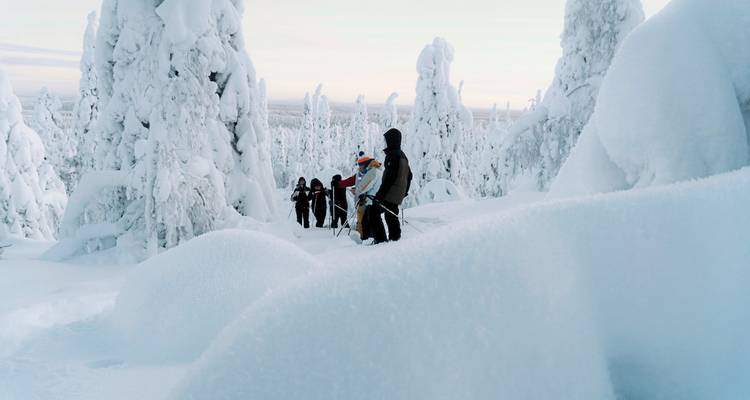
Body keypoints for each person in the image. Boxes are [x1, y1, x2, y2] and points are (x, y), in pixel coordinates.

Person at [370, 128, 412, 243]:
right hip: (396, 195)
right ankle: (395, 240)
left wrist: (379, 196)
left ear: (391, 140)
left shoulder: (392, 155)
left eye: (386, 140)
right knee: (391, 215)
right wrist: (404, 192)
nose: (385, 142)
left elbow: (389, 178)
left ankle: (381, 241)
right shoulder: (402, 155)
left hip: (389, 194)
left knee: (373, 212)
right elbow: (410, 175)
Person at [339, 154, 382, 242]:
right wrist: (339, 183)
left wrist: (357, 190)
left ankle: (365, 239)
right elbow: (350, 181)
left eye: (361, 165)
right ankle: (366, 237)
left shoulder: (372, 172)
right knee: (363, 221)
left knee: (365, 222)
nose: (360, 167)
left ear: (366, 164)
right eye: (359, 165)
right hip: (364, 201)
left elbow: (365, 186)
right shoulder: (363, 173)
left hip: (367, 201)